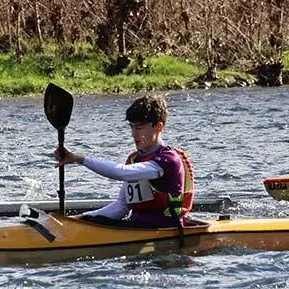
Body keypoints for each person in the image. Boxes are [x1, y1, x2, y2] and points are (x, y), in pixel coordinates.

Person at [53, 94, 194, 227]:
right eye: (132, 127)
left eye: (139, 128)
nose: (134, 134)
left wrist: (78, 159)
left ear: (159, 127)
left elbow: (121, 173)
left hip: (164, 231)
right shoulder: (135, 159)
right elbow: (121, 207)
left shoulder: (168, 159)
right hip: (137, 229)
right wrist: (81, 219)